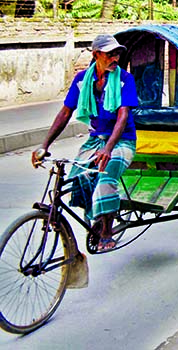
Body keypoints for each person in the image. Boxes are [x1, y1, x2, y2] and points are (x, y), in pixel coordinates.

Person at [32, 35, 138, 251]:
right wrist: (44, 145)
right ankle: (95, 216)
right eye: (109, 54)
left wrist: (108, 149)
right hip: (94, 140)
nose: (115, 58)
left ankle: (107, 231)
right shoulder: (82, 80)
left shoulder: (125, 79)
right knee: (77, 178)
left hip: (122, 142)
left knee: (106, 176)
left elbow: (123, 116)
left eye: (117, 53)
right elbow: (65, 112)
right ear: (96, 54)